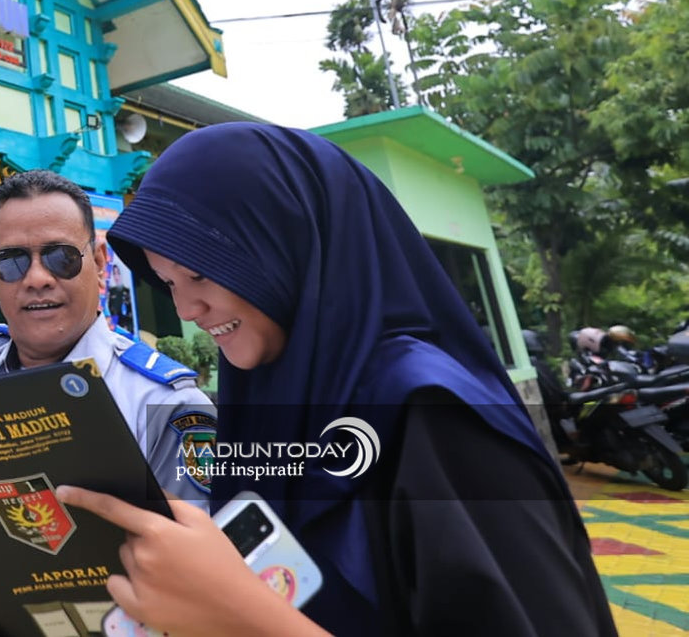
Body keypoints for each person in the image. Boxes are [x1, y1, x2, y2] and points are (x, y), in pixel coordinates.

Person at [53, 123, 614, 636]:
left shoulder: (430, 413)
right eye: (169, 283)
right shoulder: (270, 395)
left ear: (287, 244)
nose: (187, 308)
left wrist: (245, 617)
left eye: (200, 273)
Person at [0, 169, 216, 506]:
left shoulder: (166, 404)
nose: (36, 278)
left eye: (60, 257)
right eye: (12, 261)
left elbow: (204, 536)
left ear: (99, 263)